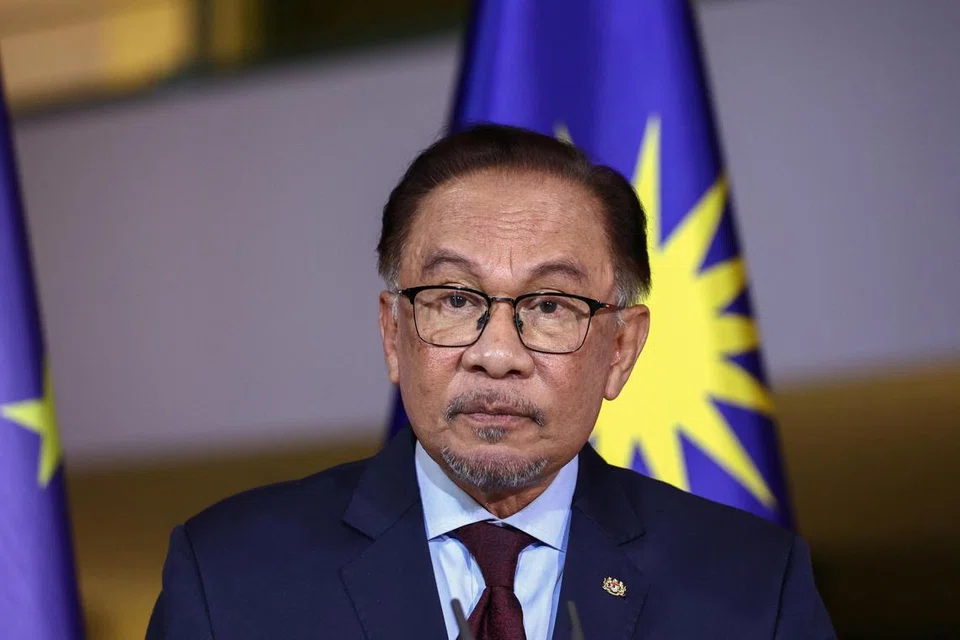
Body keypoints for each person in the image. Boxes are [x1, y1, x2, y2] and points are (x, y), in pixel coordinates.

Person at [146, 124, 835, 639]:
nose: (497, 353)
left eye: (551, 306)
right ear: (393, 334)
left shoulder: (751, 588)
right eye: (454, 298)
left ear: (621, 350)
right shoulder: (230, 574)